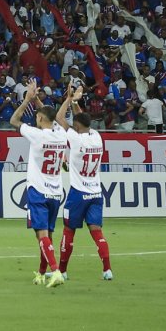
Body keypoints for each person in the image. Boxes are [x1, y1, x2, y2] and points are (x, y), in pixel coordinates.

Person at [11, 78, 67, 288]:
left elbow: (14, 121)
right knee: (47, 236)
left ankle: (56, 271)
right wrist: (37, 101)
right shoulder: (60, 134)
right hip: (55, 192)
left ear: (41, 118)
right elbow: (51, 118)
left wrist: (27, 100)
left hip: (38, 191)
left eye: (37, 117)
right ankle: (42, 273)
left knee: (41, 235)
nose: (35, 119)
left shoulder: (37, 135)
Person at [55, 85, 113, 281]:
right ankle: (107, 269)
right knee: (96, 231)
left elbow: (59, 118)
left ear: (77, 126)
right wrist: (76, 103)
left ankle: (62, 271)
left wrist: (68, 99)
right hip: (96, 193)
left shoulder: (75, 138)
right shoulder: (97, 137)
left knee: (68, 230)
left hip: (78, 193)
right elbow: (82, 119)